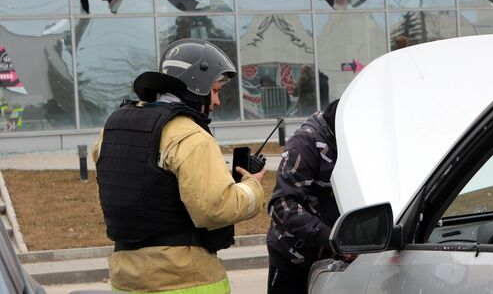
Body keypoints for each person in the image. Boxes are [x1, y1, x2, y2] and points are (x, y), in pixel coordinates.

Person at [91, 39, 266, 294]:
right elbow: (214, 209)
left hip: (125, 280)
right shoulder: (191, 136)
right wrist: (252, 187)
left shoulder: (112, 129)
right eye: (215, 90)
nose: (216, 101)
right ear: (198, 86)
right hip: (185, 279)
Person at [266, 99, 340, 294]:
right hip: (293, 260)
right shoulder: (306, 141)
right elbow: (281, 206)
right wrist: (331, 237)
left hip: (339, 261)